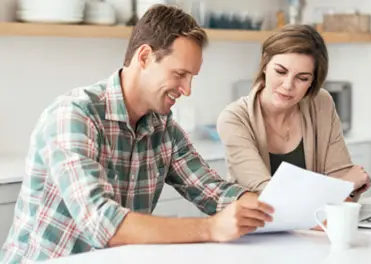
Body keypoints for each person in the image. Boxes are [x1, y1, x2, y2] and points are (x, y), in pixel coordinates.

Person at [0, 5, 274, 263]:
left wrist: (270, 210)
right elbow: (102, 223)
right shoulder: (74, 115)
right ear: (144, 57)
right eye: (179, 74)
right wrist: (210, 228)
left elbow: (215, 191)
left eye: (192, 77)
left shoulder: (163, 128)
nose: (187, 89)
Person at [216, 24, 371, 204]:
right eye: (280, 71)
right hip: (257, 230)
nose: (288, 85)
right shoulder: (234, 118)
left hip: (314, 228)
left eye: (302, 78)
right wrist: (340, 185)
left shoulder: (321, 103)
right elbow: (267, 196)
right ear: (265, 65)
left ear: (313, 82)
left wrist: (343, 186)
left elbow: (344, 186)